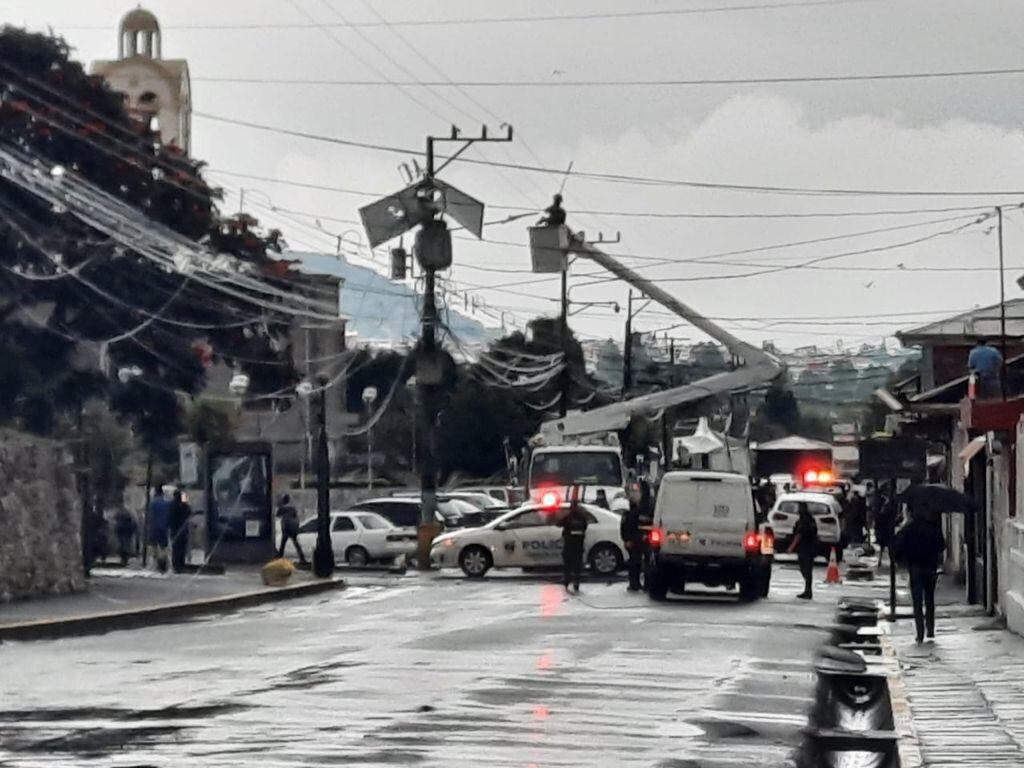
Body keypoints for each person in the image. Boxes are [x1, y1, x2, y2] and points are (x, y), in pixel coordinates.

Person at [893, 510, 945, 643]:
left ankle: (920, 632)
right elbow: (941, 546)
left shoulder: (908, 529)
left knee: (917, 601)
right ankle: (931, 629)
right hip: (930, 566)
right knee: (930, 599)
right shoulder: (933, 528)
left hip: (915, 567)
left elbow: (898, 546)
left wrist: (900, 560)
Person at [620, 481, 653, 592]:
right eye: (632, 491)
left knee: (648, 563)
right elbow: (626, 525)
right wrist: (627, 539)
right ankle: (634, 584)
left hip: (647, 540)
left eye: (636, 491)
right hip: (634, 541)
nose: (633, 494)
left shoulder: (649, 507)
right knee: (634, 563)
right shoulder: (631, 508)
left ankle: (648, 584)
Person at [559, 489, 589, 593]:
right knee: (577, 565)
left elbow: (559, 523)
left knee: (568, 564)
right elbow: (585, 527)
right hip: (578, 545)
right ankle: (576, 582)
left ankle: (567, 581)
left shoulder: (568, 517)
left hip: (569, 544)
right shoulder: (582, 517)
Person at [788, 503, 819, 600]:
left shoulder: (803, 520)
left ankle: (808, 591)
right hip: (811, 547)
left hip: (805, 548)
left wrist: (791, 547)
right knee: (808, 569)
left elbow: (799, 535)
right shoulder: (811, 520)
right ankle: (808, 590)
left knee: (805, 569)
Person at [276, 493, 306, 564]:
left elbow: (278, 515)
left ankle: (279, 558)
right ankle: (302, 558)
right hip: (293, 528)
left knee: (283, 544)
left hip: (286, 528)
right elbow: (295, 516)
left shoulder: (282, 508)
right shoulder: (292, 508)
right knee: (296, 543)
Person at [148, 486, 171, 573]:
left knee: (153, 546)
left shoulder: (153, 503)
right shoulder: (166, 503)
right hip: (164, 527)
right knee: (163, 547)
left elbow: (150, 516)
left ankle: (155, 564)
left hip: (154, 527)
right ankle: (163, 564)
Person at [169, 489, 192, 573]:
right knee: (182, 548)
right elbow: (190, 511)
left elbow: (169, 517)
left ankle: (176, 565)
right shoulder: (184, 505)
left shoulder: (172, 505)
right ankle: (181, 564)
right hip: (183, 530)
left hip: (174, 530)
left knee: (175, 548)